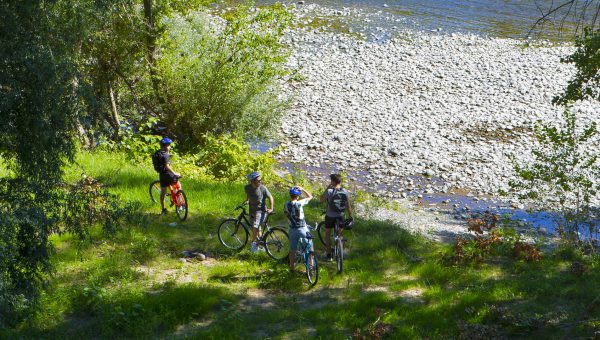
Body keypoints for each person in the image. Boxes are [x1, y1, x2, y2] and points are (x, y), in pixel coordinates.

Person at [320, 173, 353, 261]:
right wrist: (350, 216)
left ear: (333, 182)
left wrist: (327, 187)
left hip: (330, 216)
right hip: (340, 216)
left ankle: (329, 255)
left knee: (327, 234)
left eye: (331, 181)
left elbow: (321, 200)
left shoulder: (330, 191)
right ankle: (340, 250)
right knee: (340, 234)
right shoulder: (345, 191)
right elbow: (348, 206)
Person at [284, 186, 313, 271]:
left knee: (292, 249)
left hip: (292, 229)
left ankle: (292, 268)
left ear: (290, 195)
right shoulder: (300, 203)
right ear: (298, 196)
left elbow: (285, 214)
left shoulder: (286, 204)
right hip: (302, 228)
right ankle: (311, 264)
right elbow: (310, 196)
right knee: (310, 245)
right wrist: (303, 189)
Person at [244, 171, 274, 253]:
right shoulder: (247, 187)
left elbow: (270, 197)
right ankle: (261, 246)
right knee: (257, 229)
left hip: (261, 211)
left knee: (255, 226)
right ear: (253, 181)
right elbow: (249, 193)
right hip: (252, 210)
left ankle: (253, 244)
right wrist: (247, 200)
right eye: (258, 180)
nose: (260, 181)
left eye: (260, 180)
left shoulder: (263, 188)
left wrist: (271, 208)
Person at [152, 137, 181, 215]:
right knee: (178, 184)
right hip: (168, 174)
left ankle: (163, 209)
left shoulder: (158, 153)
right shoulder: (166, 155)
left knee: (163, 192)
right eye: (169, 145)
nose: (170, 147)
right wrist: (175, 173)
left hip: (162, 175)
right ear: (165, 146)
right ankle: (179, 203)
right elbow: (167, 166)